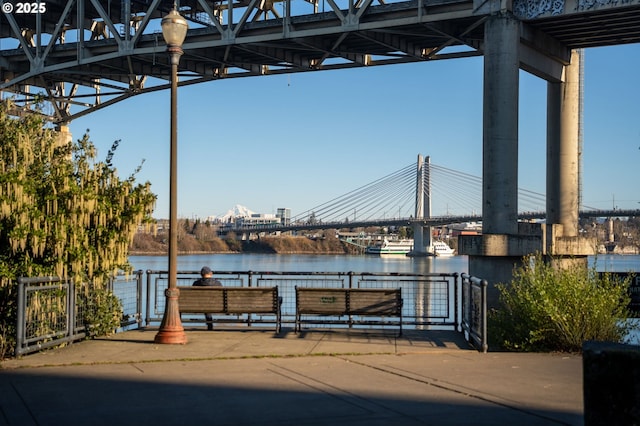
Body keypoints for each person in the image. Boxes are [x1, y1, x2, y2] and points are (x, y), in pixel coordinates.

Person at [192, 266, 222, 330]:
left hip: (199, 305)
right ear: (211, 273)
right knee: (208, 304)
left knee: (206, 304)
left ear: (201, 274)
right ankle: (209, 324)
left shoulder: (196, 283)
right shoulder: (217, 283)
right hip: (217, 305)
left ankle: (209, 324)